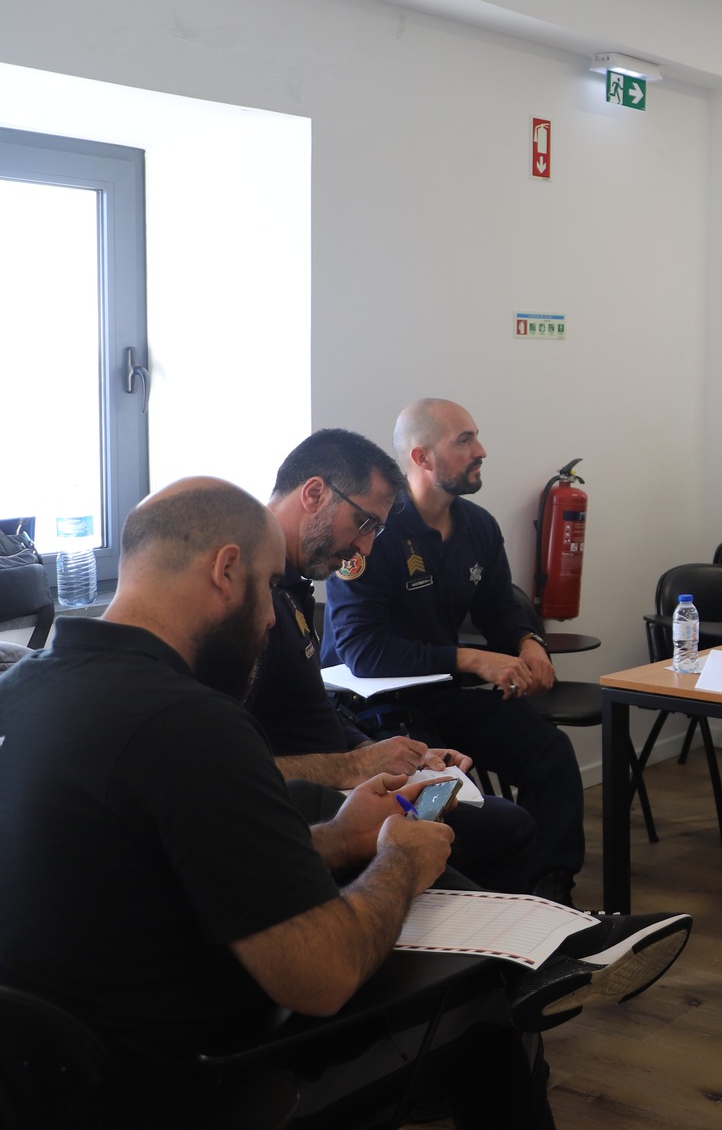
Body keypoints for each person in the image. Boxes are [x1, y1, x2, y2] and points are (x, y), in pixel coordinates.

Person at [0, 479, 558, 1124]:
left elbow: (154, 864)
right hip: (190, 1088)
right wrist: (399, 861)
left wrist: (343, 838)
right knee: (490, 1002)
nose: (271, 617)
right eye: (268, 587)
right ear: (226, 570)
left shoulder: (22, 690)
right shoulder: (190, 723)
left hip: (40, 1081)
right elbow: (322, 978)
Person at [251, 427, 541, 894]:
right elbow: (239, 766)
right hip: (309, 808)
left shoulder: (292, 586)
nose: (366, 548)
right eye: (364, 523)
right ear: (314, 493)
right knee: (503, 830)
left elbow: (313, 710)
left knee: (510, 806)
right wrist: (352, 766)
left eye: (377, 531)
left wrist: (390, 754)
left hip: (342, 777)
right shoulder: (250, 603)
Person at [324, 399, 585, 904]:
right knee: (447, 792)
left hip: (443, 691)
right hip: (376, 707)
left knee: (549, 752)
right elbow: (362, 651)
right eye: (463, 441)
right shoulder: (372, 529)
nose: (480, 451)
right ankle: (462, 906)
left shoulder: (478, 527)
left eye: (476, 437)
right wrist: (472, 659)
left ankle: (550, 893)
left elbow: (499, 609)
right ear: (421, 458)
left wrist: (528, 642)